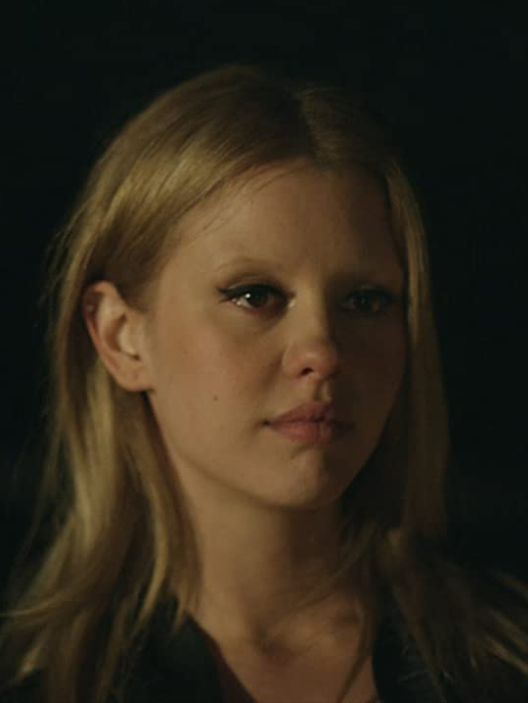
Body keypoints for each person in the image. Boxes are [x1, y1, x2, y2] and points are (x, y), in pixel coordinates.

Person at [1, 63, 527, 703]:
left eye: (365, 300)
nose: (322, 352)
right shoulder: (38, 682)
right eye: (255, 295)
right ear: (120, 336)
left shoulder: (504, 663)